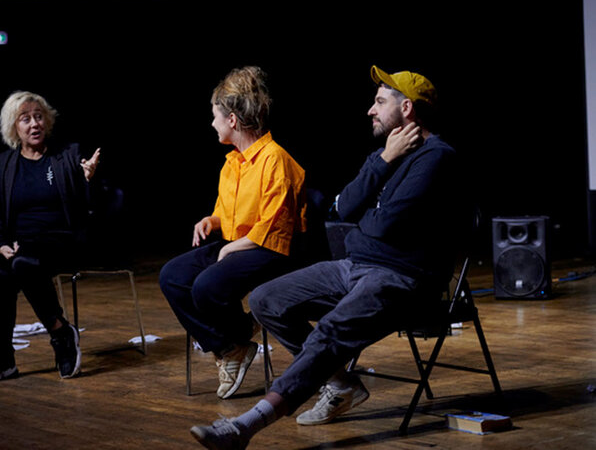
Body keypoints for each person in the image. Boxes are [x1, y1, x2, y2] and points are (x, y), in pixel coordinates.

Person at [189, 65, 463, 449]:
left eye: (380, 102)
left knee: (331, 331)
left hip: (402, 278)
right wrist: (383, 160)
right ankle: (340, 383)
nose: (371, 109)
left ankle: (245, 426)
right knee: (268, 299)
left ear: (408, 110)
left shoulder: (436, 158)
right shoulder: (387, 154)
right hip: (356, 266)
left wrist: (370, 212)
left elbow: (383, 225)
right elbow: (343, 209)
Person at [159, 66, 307, 399]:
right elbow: (229, 214)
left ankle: (237, 336)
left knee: (208, 285)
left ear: (232, 121)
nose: (211, 123)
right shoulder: (233, 163)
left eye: (215, 116)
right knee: (172, 276)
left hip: (273, 251)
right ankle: (231, 346)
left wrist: (233, 247)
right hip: (241, 244)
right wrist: (212, 221)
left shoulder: (275, 160)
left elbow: (274, 227)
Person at [0, 91, 101, 383]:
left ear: (48, 121)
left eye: (39, 116)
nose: (34, 123)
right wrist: (0, 243)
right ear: (13, 127)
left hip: (62, 240)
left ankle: (60, 334)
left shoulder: (67, 155)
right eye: (25, 118)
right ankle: (2, 356)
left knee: (24, 263)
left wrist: (88, 181)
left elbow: (90, 207)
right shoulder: (2, 164)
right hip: (17, 244)